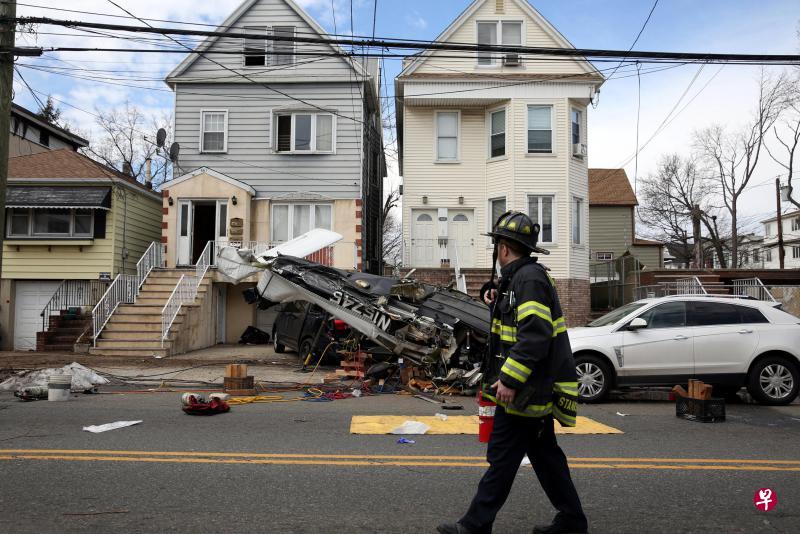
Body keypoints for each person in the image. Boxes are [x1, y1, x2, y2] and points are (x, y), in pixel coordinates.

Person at [438, 211, 587, 534]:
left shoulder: (528, 279)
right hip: (530, 388)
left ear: (503, 249)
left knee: (503, 458)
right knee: (546, 458)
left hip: (525, 390)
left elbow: (534, 334)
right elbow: (515, 324)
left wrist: (509, 379)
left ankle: (475, 525)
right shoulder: (521, 278)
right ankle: (573, 521)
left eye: (497, 247)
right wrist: (494, 299)